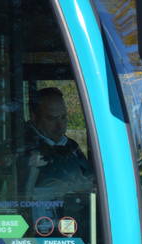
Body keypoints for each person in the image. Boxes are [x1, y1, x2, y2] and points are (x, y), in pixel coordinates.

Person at [17, 87, 94, 235]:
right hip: (43, 230)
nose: (60, 125)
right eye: (52, 119)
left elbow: (91, 178)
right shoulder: (24, 148)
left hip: (75, 223)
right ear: (34, 117)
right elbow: (23, 193)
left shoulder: (70, 146)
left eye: (63, 117)